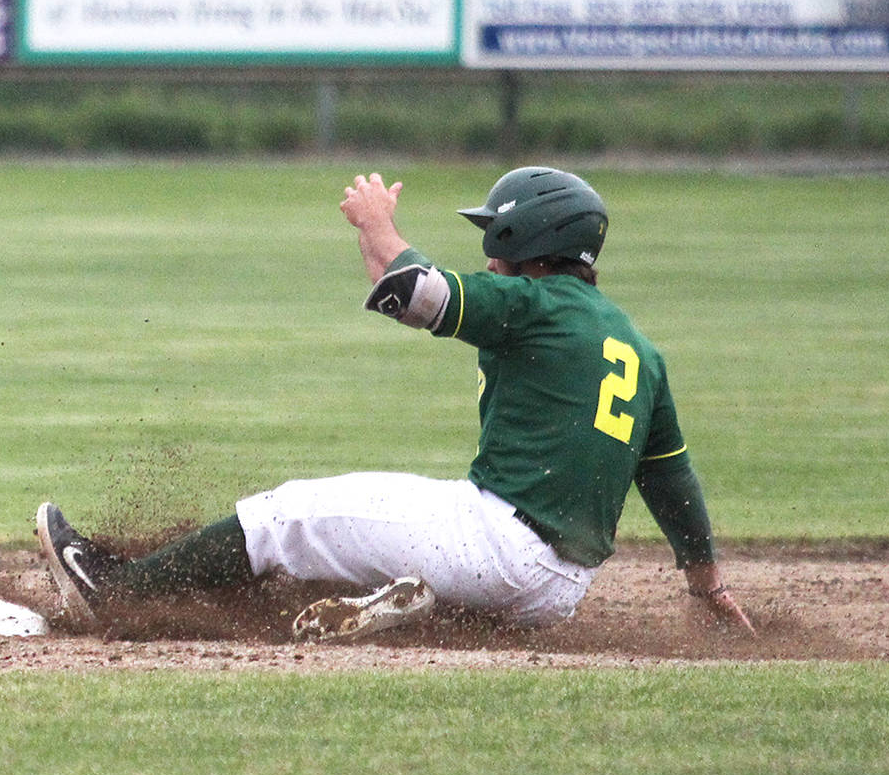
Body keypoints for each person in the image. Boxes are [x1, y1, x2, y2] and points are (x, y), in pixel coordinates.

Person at [37, 167, 755, 641]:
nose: (489, 254)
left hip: (497, 544)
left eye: (495, 236)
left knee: (289, 515)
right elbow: (671, 482)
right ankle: (409, 609)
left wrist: (379, 221)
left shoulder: (535, 304)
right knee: (358, 542)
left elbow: (418, 292)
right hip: (557, 590)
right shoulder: (635, 345)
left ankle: (120, 592)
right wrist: (707, 586)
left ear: (526, 238)